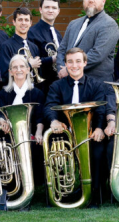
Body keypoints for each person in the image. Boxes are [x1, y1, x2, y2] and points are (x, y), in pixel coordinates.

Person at [44, 47, 108, 208]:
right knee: (51, 151)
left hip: (90, 134)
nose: (74, 65)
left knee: (99, 152)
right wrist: (53, 121)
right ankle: (60, 194)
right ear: (65, 64)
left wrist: (100, 128)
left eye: (78, 61)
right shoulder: (56, 86)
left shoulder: (96, 85)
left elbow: (101, 109)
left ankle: (94, 194)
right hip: (64, 133)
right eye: (70, 62)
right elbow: (49, 105)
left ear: (85, 63)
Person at [0, 54, 45, 186]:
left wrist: (39, 132)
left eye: (22, 66)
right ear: (10, 72)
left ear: (28, 69)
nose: (19, 70)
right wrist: (2, 122)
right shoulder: (3, 93)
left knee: (36, 147)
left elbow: (40, 117)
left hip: (30, 135)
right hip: (9, 136)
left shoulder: (37, 93)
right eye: (15, 67)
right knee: (3, 148)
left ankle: (30, 183)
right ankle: (11, 184)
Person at [56, 0, 119, 83]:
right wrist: (61, 69)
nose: (91, 0)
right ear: (83, 0)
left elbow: (97, 54)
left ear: (103, 1)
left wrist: (69, 69)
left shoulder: (109, 24)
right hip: (69, 83)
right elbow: (62, 50)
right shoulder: (73, 24)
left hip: (96, 86)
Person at [0, 7, 42, 87]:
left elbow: (38, 72)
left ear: (30, 23)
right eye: (20, 20)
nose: (23, 23)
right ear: (14, 22)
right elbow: (5, 74)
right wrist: (29, 65)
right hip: (14, 90)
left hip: (33, 90)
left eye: (26, 20)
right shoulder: (6, 46)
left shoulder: (34, 47)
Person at [27, 0, 63, 87]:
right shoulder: (32, 32)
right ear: (40, 10)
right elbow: (33, 62)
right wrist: (53, 58)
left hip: (59, 83)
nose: (50, 10)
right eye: (47, 7)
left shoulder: (58, 34)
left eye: (54, 8)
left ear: (58, 11)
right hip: (43, 85)